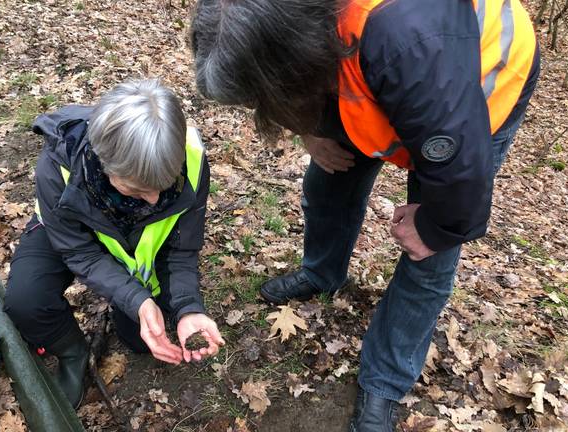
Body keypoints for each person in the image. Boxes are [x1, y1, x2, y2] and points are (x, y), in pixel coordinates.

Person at [190, 0, 539, 430]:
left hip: (479, 79)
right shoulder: (297, 30)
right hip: (370, 64)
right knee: (327, 181)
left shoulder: (407, 45)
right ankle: (323, 273)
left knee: (428, 256)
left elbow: (460, 174)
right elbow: (285, 85)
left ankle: (385, 379)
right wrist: (310, 132)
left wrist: (435, 226)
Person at [3, 80, 225, 408]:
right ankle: (73, 352)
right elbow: (78, 251)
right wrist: (135, 296)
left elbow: (181, 248)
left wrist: (187, 307)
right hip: (71, 234)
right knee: (26, 301)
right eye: (136, 190)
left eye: (164, 187)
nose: (153, 199)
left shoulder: (192, 158)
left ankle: (132, 311)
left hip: (133, 246)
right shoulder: (58, 164)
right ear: (105, 166)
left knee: (139, 339)